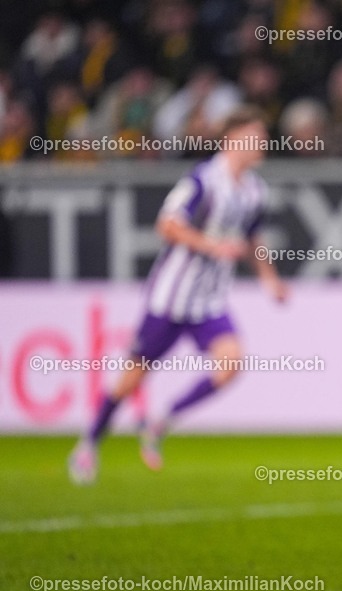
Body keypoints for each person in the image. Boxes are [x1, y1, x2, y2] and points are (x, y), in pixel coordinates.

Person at [67, 106, 287, 485]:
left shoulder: (254, 191)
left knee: (231, 363)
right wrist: (210, 245)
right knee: (131, 379)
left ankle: (159, 422)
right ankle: (88, 445)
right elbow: (167, 225)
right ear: (233, 139)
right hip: (170, 298)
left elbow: (252, 239)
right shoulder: (202, 180)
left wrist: (270, 279)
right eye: (256, 136)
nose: (262, 144)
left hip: (209, 301)